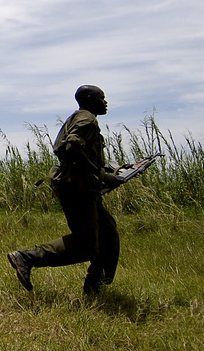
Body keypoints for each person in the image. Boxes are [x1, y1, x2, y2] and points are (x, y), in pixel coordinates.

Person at [8, 85, 123, 295]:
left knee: (108, 234)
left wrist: (108, 170)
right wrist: (102, 175)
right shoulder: (87, 119)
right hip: (77, 187)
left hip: (83, 186)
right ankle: (27, 257)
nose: (105, 102)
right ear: (89, 99)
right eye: (102, 98)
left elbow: (76, 151)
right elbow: (72, 148)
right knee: (87, 243)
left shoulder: (78, 117)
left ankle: (94, 286)